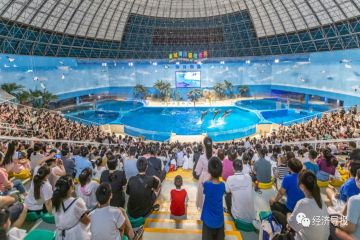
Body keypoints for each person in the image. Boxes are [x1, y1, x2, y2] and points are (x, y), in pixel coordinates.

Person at [286, 170, 330, 239]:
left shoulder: (303, 203)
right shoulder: (320, 199)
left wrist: (288, 215)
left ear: (302, 186)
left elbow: (292, 225)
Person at [52, 176, 90, 240]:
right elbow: (86, 221)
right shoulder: (77, 202)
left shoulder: (56, 201)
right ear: (71, 188)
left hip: (60, 236)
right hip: (74, 236)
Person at [201, 157, 225, 240]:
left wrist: (210, 176)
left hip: (208, 219)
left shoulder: (207, 185)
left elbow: (203, 183)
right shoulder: (222, 185)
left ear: (209, 171)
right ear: (221, 171)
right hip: (219, 219)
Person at [225, 159, 255, 223]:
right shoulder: (248, 177)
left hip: (238, 217)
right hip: (252, 217)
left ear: (233, 168)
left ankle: (230, 212)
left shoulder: (230, 179)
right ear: (242, 167)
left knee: (227, 195)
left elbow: (227, 191)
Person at [195, 137, 212, 210]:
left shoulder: (202, 157)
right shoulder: (214, 156)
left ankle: (201, 206)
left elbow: (197, 171)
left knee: (202, 193)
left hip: (204, 177)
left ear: (204, 145)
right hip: (212, 177)